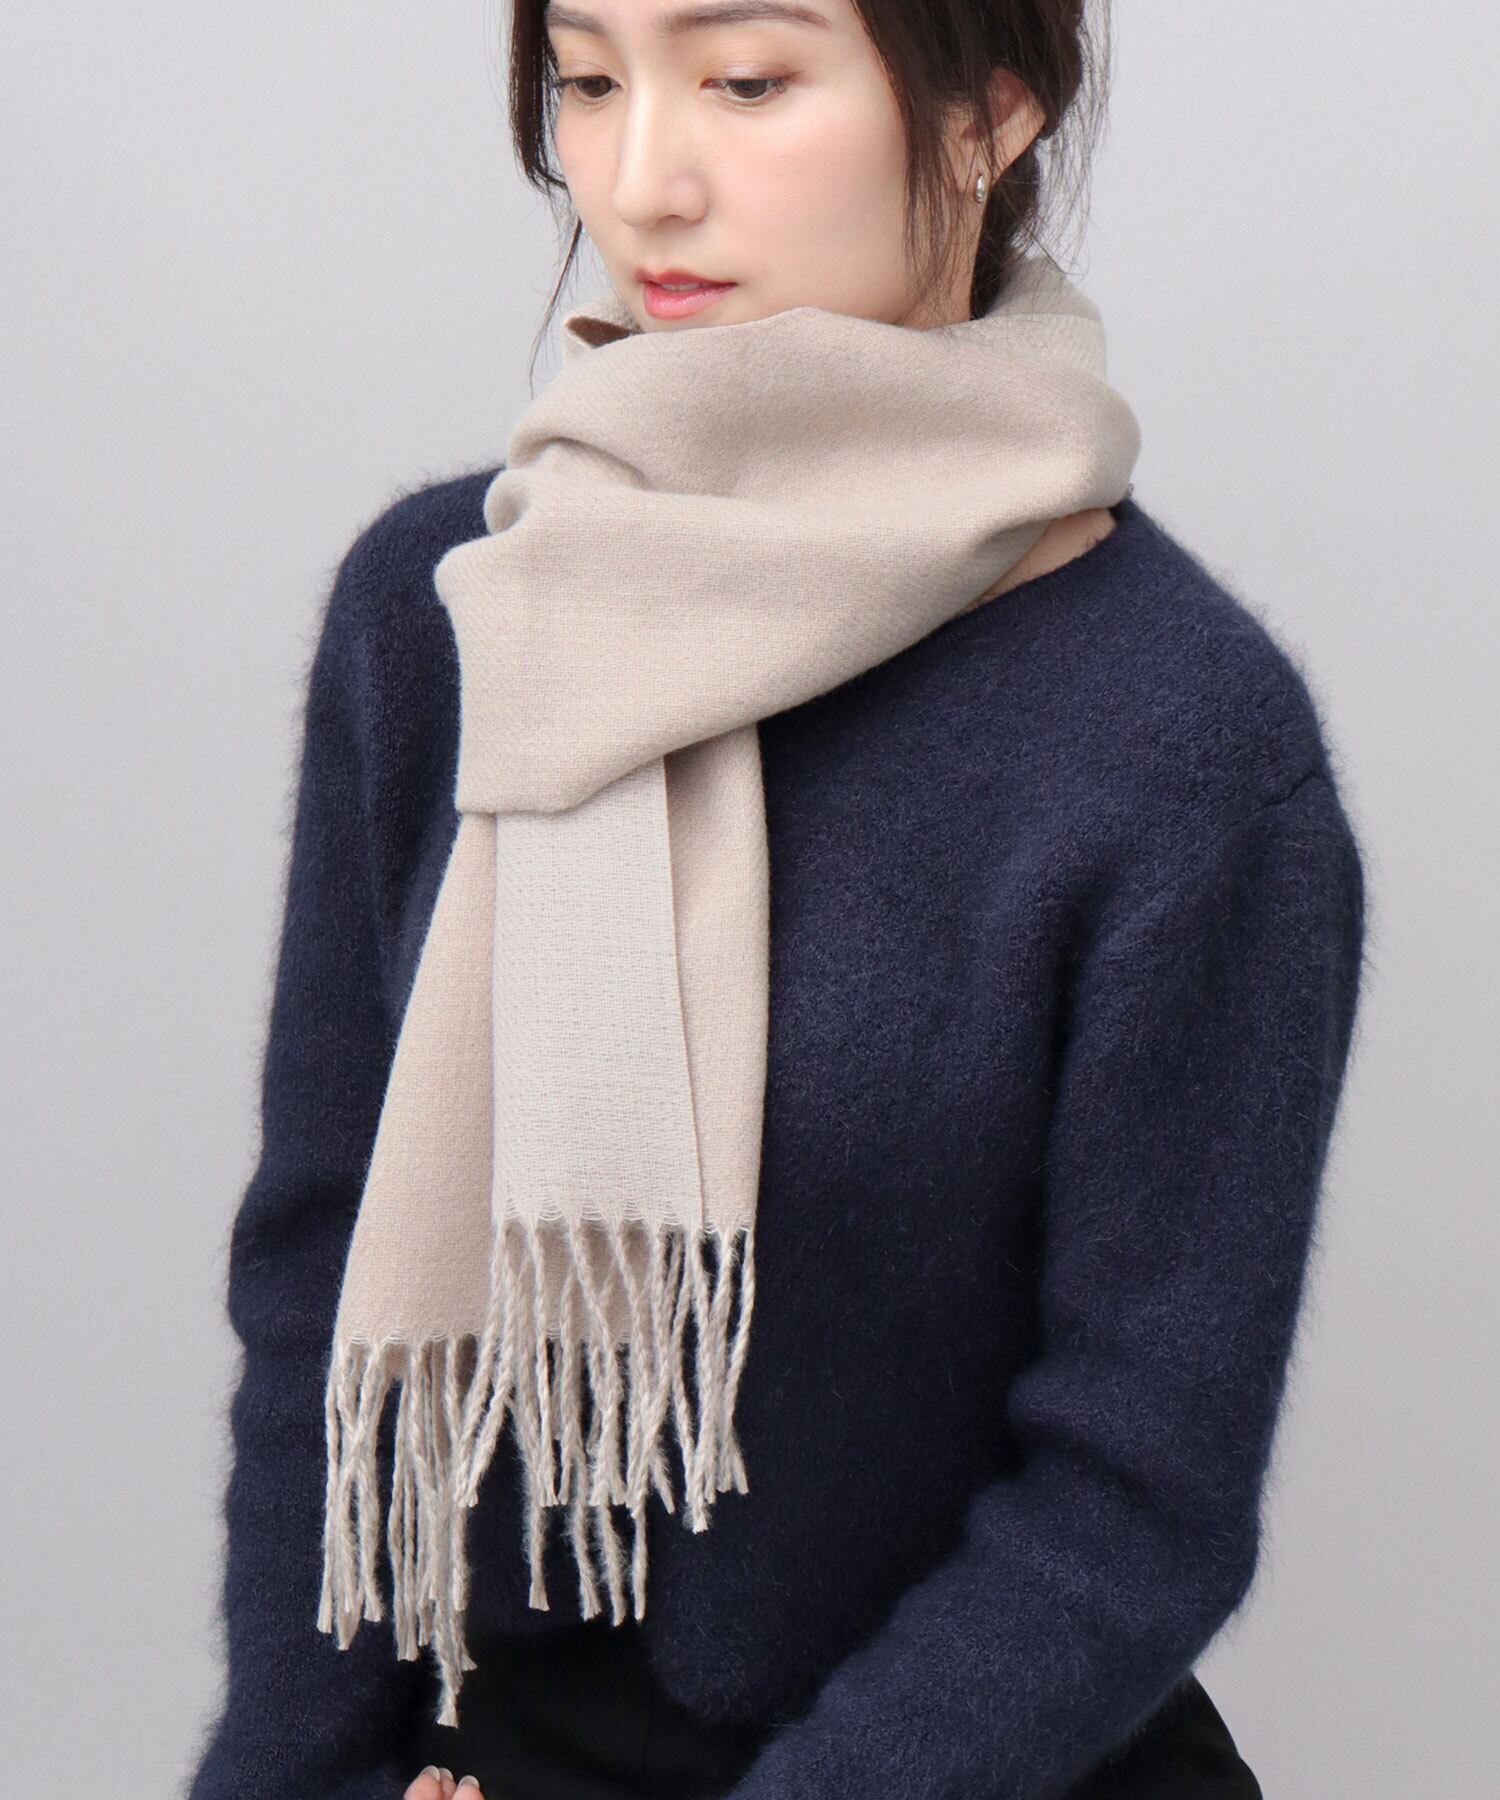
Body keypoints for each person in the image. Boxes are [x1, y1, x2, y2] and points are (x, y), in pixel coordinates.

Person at [185, 3, 1369, 1799]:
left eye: (746, 80)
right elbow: (318, 1282)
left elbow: (1136, 1505)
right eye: (589, 81)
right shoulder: (451, 615)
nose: (642, 180)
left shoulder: (1183, 745)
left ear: (990, 109)